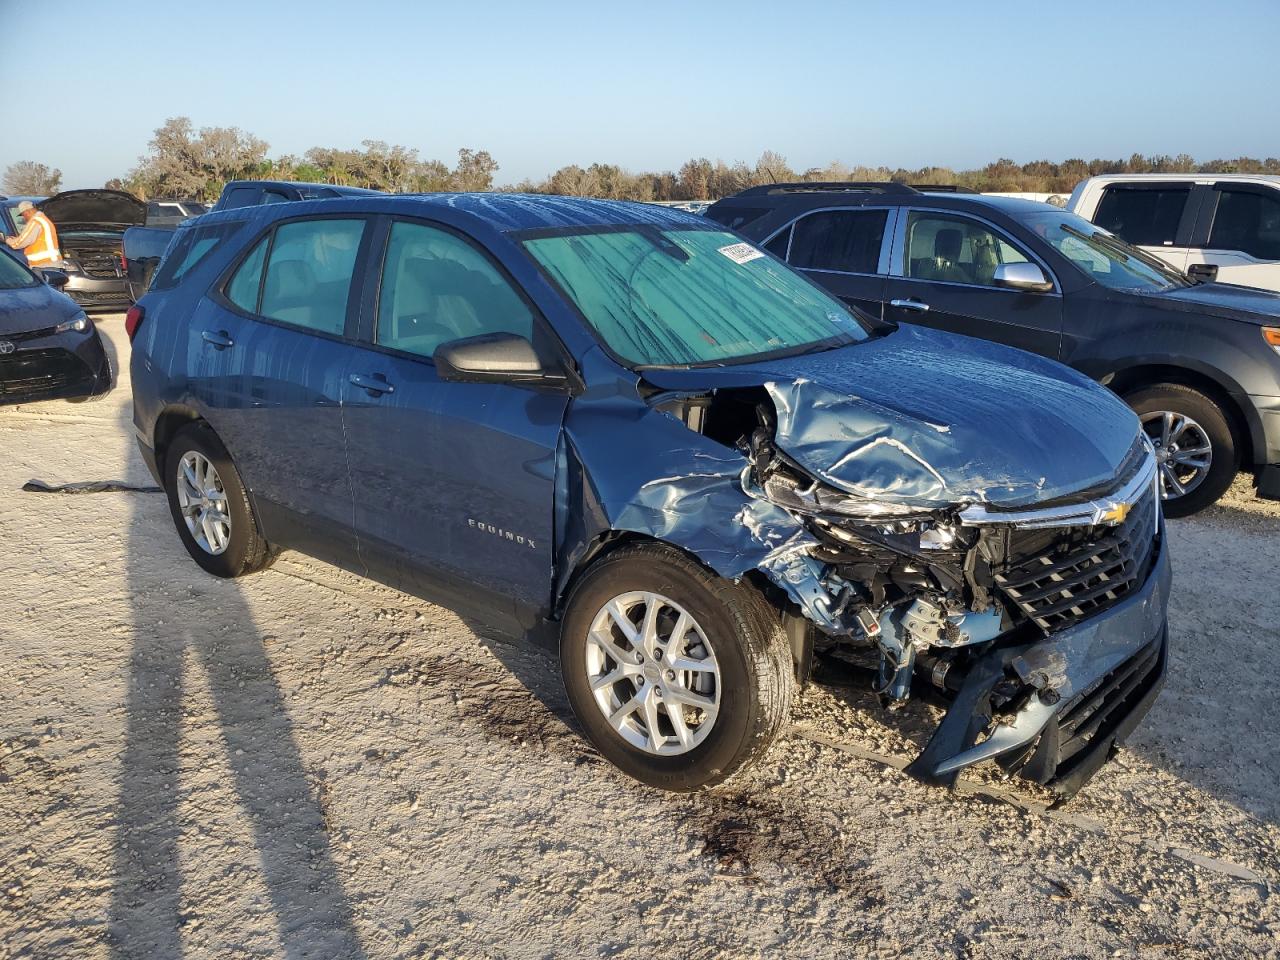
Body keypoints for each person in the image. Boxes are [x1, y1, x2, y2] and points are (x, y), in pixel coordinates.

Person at [5, 200, 61, 267]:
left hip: (44, 264)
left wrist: (7, 240)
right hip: (50, 262)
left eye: (23, 215)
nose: (24, 218)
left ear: (27, 212)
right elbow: (32, 239)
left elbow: (18, 244)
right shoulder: (42, 219)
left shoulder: (35, 222)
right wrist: (17, 238)